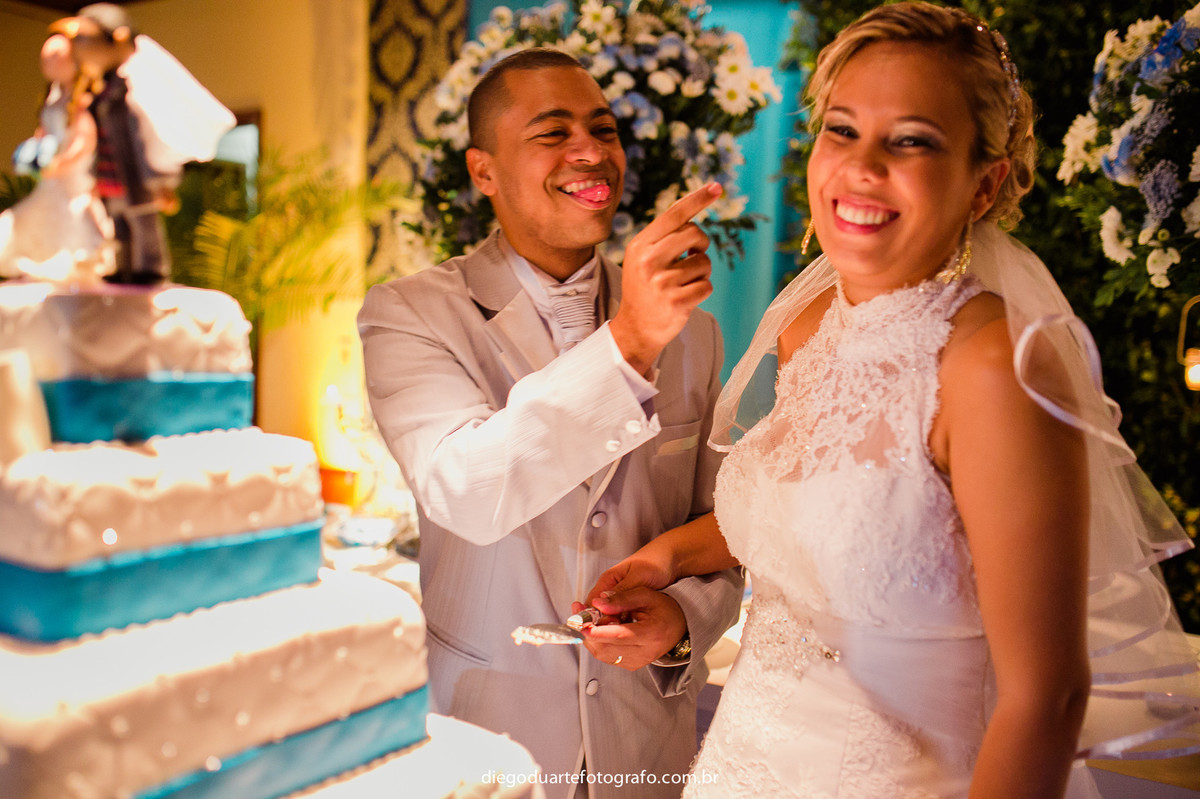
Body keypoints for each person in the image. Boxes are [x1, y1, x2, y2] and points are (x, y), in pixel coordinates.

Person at [583, 4, 1200, 798]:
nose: (862, 166)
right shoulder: (809, 326)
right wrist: (664, 560)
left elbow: (1046, 698)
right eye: (842, 130)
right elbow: (814, 516)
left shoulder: (994, 368)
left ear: (986, 183)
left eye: (911, 140)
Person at [359, 48, 743, 799]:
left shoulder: (694, 333)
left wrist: (682, 619)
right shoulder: (410, 313)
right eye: (553, 131)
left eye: (604, 128)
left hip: (647, 748)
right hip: (488, 740)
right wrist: (630, 341)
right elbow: (464, 489)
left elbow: (727, 526)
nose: (593, 151)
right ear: (484, 171)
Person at [50, 3, 234, 284]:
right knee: (119, 226)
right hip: (112, 176)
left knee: (143, 226)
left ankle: (150, 269)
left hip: (137, 178)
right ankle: (124, 268)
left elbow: (153, 136)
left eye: (86, 37)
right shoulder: (107, 92)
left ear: (120, 38)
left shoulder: (136, 90)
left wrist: (162, 181)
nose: (79, 45)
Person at [0, 33, 113, 283]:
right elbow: (44, 130)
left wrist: (62, 163)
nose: (49, 63)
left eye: (56, 57)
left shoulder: (80, 99)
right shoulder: (53, 96)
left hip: (71, 172)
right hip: (52, 171)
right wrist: (33, 153)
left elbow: (84, 140)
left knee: (70, 218)